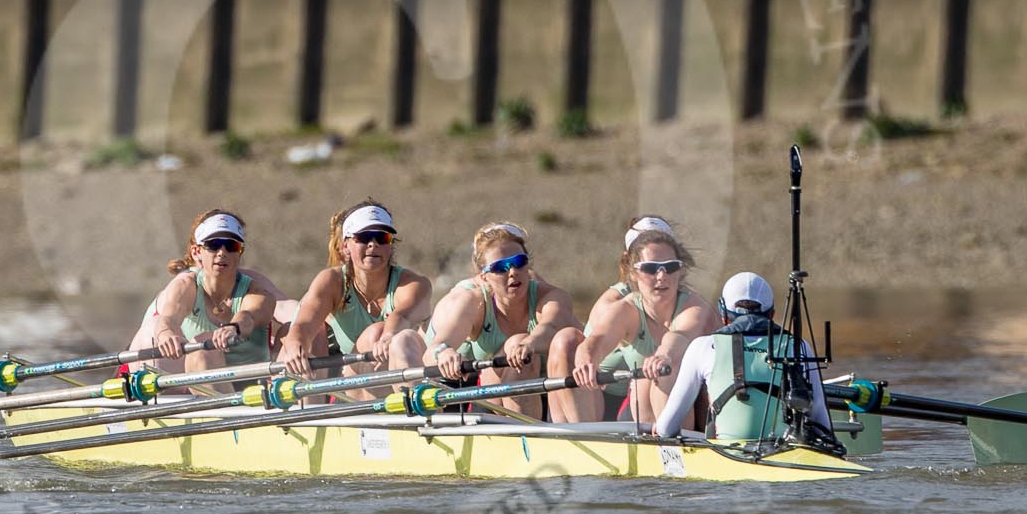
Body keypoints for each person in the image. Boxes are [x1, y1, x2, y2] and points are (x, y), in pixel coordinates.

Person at [548, 215, 715, 424]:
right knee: (567, 341)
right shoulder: (621, 305)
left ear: (680, 269)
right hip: (612, 398)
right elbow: (595, 341)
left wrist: (664, 356)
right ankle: (581, 440)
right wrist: (586, 361)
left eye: (670, 266)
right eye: (650, 268)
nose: (661, 276)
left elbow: (679, 336)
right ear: (632, 270)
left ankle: (672, 450)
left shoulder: (695, 307)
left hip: (679, 398)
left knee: (656, 372)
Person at [650, 272, 835, 448]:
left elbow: (667, 428)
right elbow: (821, 421)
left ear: (723, 312)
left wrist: (662, 432)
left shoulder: (702, 347)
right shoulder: (799, 346)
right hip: (786, 452)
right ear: (771, 313)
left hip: (727, 456)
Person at [423, 223, 578, 420]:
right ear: (484, 278)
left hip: (549, 396)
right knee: (516, 347)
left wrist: (529, 344)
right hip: (490, 399)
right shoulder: (472, 302)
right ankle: (526, 437)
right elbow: (434, 348)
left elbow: (551, 327)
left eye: (519, 261)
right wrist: (444, 353)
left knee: (520, 344)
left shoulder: (552, 296)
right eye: (500, 267)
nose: (512, 271)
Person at [277, 200, 432, 380]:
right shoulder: (331, 281)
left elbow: (402, 316)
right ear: (345, 246)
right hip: (355, 381)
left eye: (382, 238)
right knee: (303, 342)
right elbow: (303, 324)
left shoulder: (414, 284)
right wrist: (296, 345)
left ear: (391, 246)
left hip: (406, 375)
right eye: (364, 237)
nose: (373, 244)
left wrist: (389, 335)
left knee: (378, 334)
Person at [139, 210, 283, 376]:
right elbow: (169, 318)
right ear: (198, 251)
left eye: (231, 246)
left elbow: (248, 316)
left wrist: (234, 328)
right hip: (206, 382)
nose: (222, 252)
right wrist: (166, 334)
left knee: (204, 346)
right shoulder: (185, 285)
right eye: (213, 245)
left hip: (254, 386)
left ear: (240, 252)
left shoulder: (257, 292)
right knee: (202, 349)